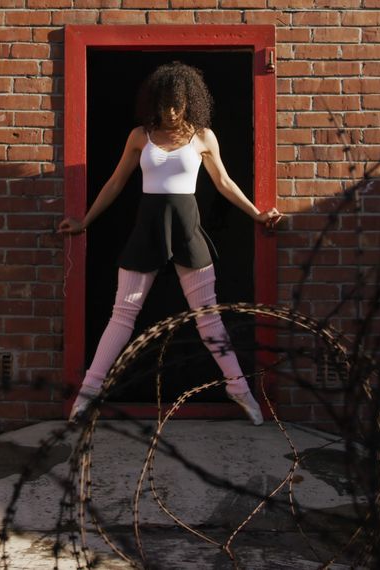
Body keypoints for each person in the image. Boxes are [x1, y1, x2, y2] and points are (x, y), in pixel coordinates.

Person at [58, 61, 282, 425]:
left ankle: (239, 389)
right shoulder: (139, 137)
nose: (171, 112)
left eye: (177, 104)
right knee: (122, 314)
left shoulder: (203, 137)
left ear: (190, 102)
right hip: (147, 231)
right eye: (164, 105)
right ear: (155, 104)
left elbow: (224, 182)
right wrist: (84, 221)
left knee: (208, 317)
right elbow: (115, 183)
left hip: (187, 230)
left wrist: (257, 214)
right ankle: (89, 391)